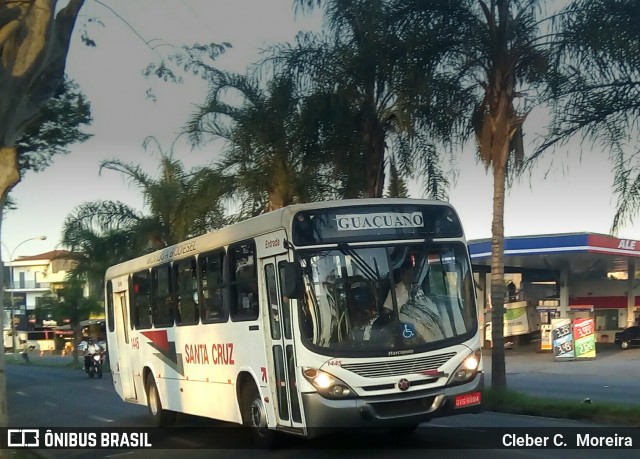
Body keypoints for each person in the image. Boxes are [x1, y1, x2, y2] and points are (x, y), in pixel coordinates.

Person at [384, 259, 444, 342]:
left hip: (422, 325)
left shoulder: (418, 289)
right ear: (402, 274)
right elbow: (386, 311)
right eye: (407, 274)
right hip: (403, 327)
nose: (409, 276)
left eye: (411, 273)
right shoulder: (394, 291)